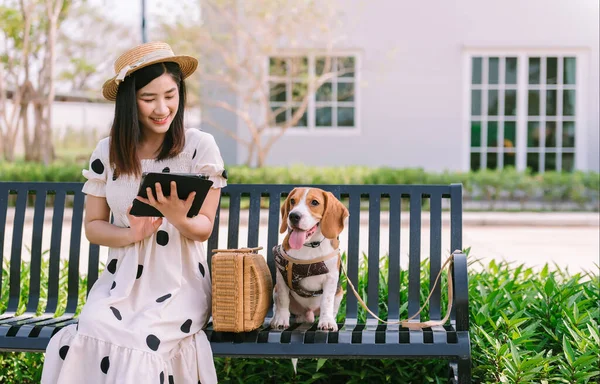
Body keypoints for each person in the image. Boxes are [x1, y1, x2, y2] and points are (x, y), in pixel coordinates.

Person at [41, 42, 225, 384]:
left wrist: (178, 216)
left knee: (142, 339)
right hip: (120, 282)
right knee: (92, 327)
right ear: (129, 101)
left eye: (171, 95)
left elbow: (204, 228)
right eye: (148, 98)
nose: (162, 108)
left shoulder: (200, 146)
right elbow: (94, 228)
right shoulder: (107, 151)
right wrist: (132, 234)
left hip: (179, 282)